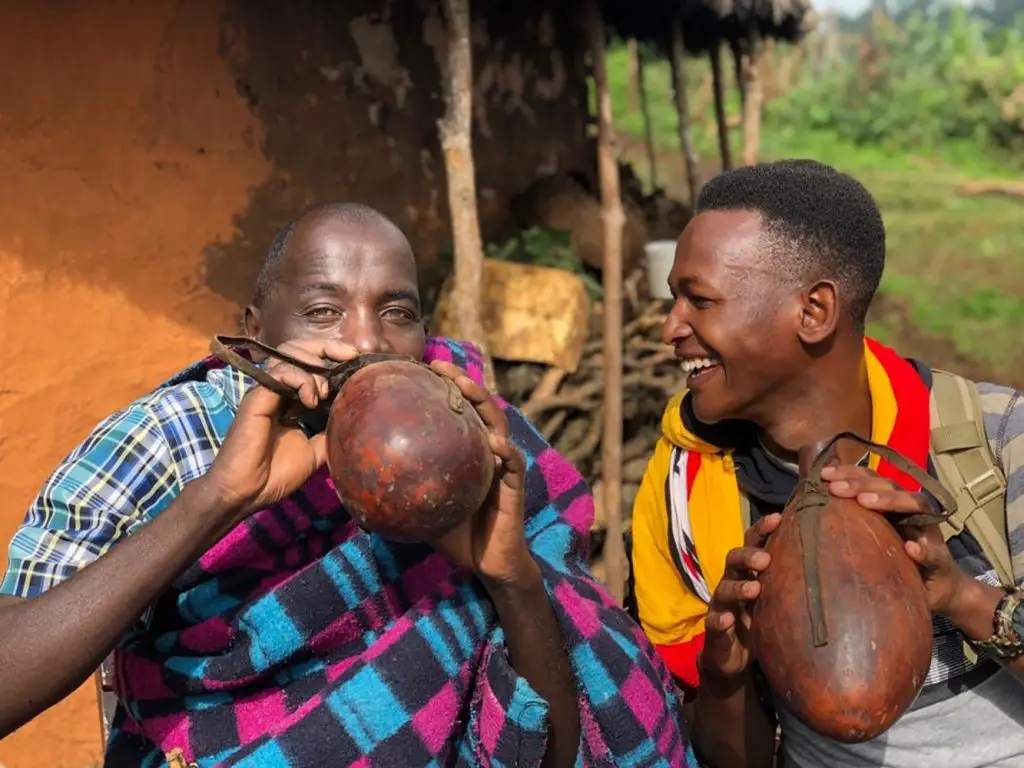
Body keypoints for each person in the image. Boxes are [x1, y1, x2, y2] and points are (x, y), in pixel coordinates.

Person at [0, 203, 696, 767]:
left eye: (397, 313)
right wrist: (217, 498)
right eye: (324, 311)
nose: (364, 343)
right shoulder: (173, 438)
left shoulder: (474, 446)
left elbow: (548, 753)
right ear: (254, 333)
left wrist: (511, 578)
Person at [629, 160, 1024, 768]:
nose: (669, 327)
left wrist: (960, 597)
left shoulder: (994, 440)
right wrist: (727, 671)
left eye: (699, 301)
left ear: (813, 311)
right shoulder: (686, 487)